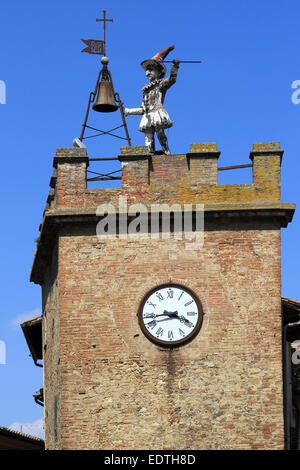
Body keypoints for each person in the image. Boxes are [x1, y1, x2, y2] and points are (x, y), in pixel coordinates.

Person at [125, 46, 180, 155]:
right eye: (146, 70)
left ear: (159, 72)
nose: (147, 73)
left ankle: (166, 151)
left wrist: (175, 66)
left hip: (157, 112)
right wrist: (128, 111)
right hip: (148, 115)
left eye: (150, 70)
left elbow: (172, 80)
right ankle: (149, 154)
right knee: (148, 137)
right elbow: (143, 109)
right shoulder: (145, 90)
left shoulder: (160, 85)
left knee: (160, 133)